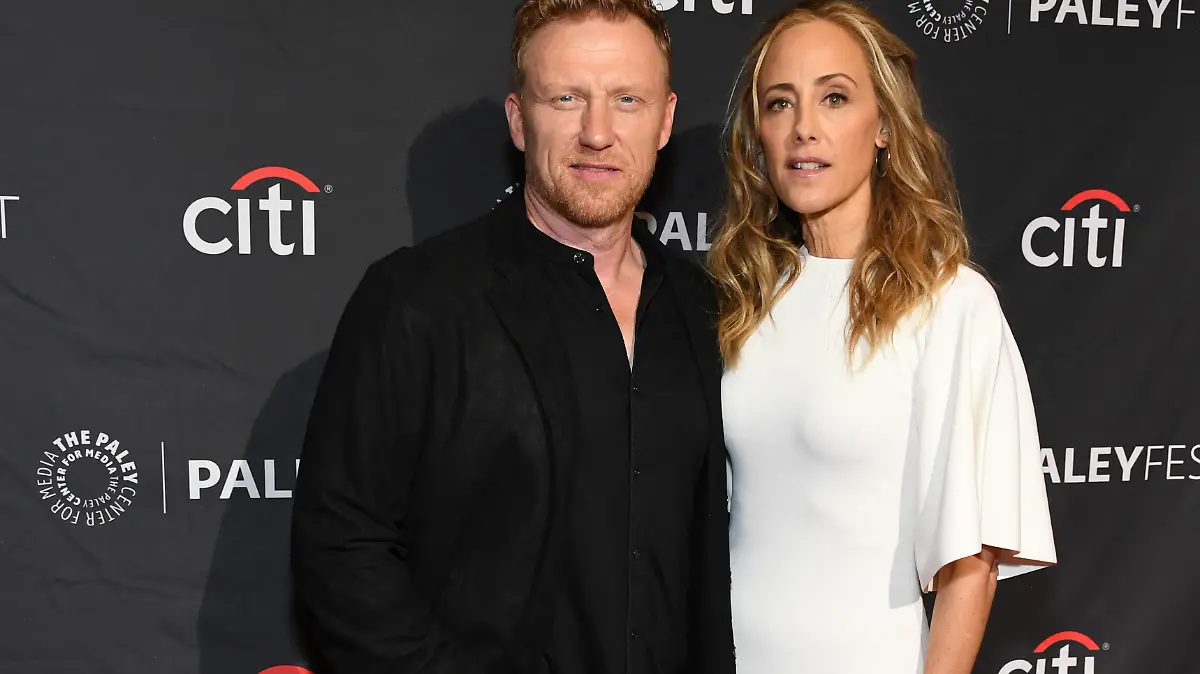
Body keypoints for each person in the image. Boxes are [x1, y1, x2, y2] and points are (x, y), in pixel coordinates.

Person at [289, 1, 735, 673]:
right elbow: (341, 546)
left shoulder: (704, 309)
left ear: (665, 119)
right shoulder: (418, 300)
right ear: (518, 120)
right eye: (565, 97)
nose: (597, 132)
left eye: (626, 99)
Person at [707, 2, 1057, 673]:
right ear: (758, 135)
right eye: (780, 104)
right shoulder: (744, 299)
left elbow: (970, 570)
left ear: (884, 128)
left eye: (834, 98)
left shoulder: (951, 306)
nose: (804, 128)